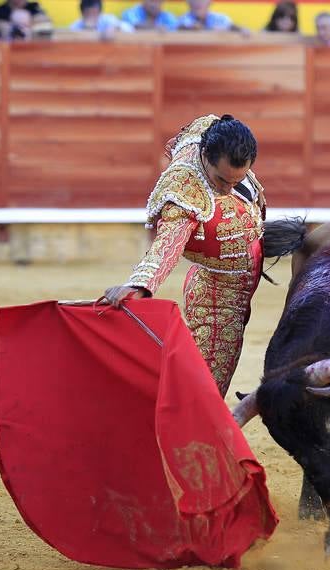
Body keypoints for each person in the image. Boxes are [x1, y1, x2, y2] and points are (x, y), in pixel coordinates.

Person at [103, 115, 266, 398]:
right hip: (219, 293)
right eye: (221, 180)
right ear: (204, 156)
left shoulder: (209, 131)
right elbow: (167, 245)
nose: (229, 189)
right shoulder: (183, 192)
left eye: (237, 180)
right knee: (204, 391)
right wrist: (139, 285)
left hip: (240, 263)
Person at [177, 0, 245, 32]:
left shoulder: (222, 19)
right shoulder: (182, 19)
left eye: (202, 0)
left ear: (210, 3)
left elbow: (233, 28)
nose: (197, 3)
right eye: (194, 0)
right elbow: (184, 28)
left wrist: (237, 29)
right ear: (188, 3)